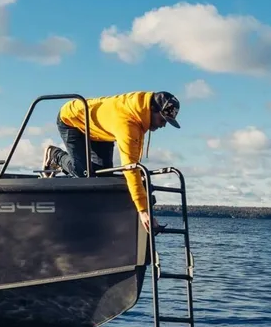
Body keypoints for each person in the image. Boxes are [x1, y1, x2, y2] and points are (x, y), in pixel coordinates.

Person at [43, 91, 181, 233]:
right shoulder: (128, 122)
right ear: (152, 109)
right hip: (72, 119)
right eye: (163, 120)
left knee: (102, 180)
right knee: (84, 173)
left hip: (101, 130)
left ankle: (100, 228)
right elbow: (130, 167)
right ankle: (55, 155)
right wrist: (143, 210)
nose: (163, 125)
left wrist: (139, 180)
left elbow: (134, 161)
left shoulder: (140, 113)